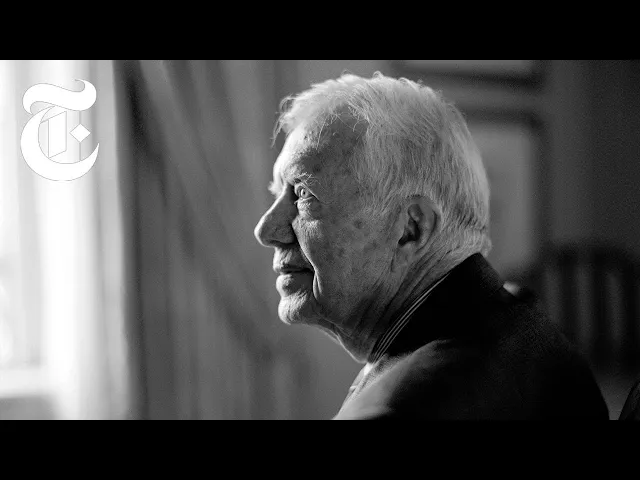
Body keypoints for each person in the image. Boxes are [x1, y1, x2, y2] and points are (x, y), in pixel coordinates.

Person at [253, 72, 609, 420]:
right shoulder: (533, 332)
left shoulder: (395, 410)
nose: (266, 230)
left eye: (303, 194)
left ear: (411, 228)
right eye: (278, 194)